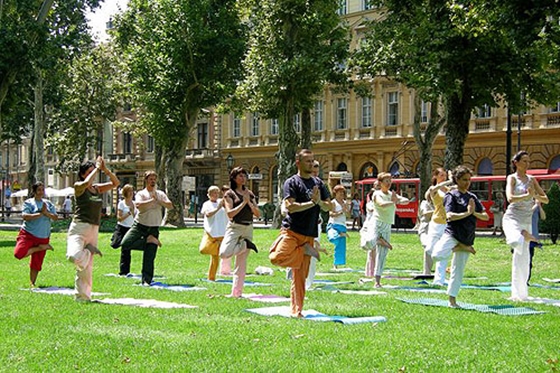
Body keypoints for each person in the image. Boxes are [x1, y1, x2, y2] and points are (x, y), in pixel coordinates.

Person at [269, 149, 331, 317]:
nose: (311, 164)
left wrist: (320, 203)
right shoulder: (292, 182)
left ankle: (297, 311)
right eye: (308, 161)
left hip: (308, 234)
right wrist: (312, 203)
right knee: (276, 257)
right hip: (292, 231)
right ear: (298, 163)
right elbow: (290, 206)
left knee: (299, 278)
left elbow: (328, 206)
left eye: (312, 161)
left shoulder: (318, 183)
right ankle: (302, 250)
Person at [432, 165, 488, 308]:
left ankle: (452, 301)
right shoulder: (451, 195)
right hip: (452, 234)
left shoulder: (472, 197)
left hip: (467, 236)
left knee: (458, 271)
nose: (467, 182)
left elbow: (486, 216)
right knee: (436, 255)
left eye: (469, 180)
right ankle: (460, 247)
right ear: (456, 180)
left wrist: (473, 212)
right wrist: (466, 213)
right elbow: (450, 216)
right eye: (464, 180)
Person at [66, 156, 119, 301]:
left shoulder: (97, 189)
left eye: (94, 172)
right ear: (83, 174)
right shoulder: (79, 186)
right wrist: (96, 168)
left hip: (93, 229)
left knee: (86, 268)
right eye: (89, 172)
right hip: (79, 227)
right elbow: (87, 182)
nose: (94, 175)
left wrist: (105, 169)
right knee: (74, 256)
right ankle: (89, 251)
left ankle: (83, 297)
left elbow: (116, 183)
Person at [502, 151, 548, 301]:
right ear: (516, 162)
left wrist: (534, 195)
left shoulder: (532, 179)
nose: (527, 164)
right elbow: (510, 198)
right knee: (515, 241)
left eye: (529, 162)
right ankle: (524, 235)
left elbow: (545, 199)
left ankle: (520, 294)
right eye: (524, 161)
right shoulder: (512, 178)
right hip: (513, 218)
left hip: (526, 220)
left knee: (522, 258)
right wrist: (526, 196)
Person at [120, 171, 173, 286]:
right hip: (140, 226)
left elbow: (170, 205)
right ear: (146, 180)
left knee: (149, 256)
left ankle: (146, 280)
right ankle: (149, 240)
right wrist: (152, 201)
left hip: (153, 228)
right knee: (125, 244)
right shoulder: (141, 193)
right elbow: (138, 205)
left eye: (154, 179)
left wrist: (159, 200)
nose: (153, 181)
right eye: (150, 179)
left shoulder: (160, 194)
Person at [218, 167, 261, 297]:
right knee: (224, 253)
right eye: (240, 176)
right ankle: (244, 245)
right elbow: (230, 214)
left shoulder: (250, 193)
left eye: (244, 175)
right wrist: (244, 203)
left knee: (241, 264)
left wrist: (250, 203)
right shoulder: (229, 194)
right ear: (234, 178)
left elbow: (258, 214)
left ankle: (237, 293)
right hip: (235, 227)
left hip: (248, 228)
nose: (243, 178)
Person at [14, 182, 58, 287]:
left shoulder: (48, 204)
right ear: (34, 191)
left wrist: (46, 213)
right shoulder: (28, 203)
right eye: (39, 190)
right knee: (18, 253)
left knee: (37, 262)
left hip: (43, 236)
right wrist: (39, 214)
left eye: (43, 190)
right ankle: (41, 248)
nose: (41, 192)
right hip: (28, 234)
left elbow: (55, 217)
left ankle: (32, 283)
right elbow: (25, 216)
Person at [371, 172, 410, 288]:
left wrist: (397, 199)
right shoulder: (377, 194)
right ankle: (378, 240)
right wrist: (393, 201)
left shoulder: (392, 194)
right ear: (380, 183)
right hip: (377, 223)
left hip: (387, 224)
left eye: (389, 181)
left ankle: (377, 281)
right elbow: (381, 204)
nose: (388, 183)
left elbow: (407, 200)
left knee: (382, 254)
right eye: (386, 181)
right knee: (367, 243)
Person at [424, 168, 454, 285]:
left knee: (444, 252)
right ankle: (439, 276)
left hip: (447, 223)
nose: (444, 177)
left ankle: (439, 279)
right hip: (436, 223)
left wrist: (453, 180)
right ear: (435, 176)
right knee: (430, 249)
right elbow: (434, 189)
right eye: (441, 175)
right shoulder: (433, 189)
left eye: (445, 175)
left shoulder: (449, 190)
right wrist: (450, 180)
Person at [199, 186, 228, 281]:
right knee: (204, 249)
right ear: (208, 195)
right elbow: (208, 214)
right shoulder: (206, 204)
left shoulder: (222, 202)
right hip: (211, 232)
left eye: (217, 192)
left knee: (217, 257)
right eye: (213, 193)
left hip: (222, 232)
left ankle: (212, 277)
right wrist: (218, 208)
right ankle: (212, 277)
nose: (216, 195)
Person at [113, 184, 136, 276]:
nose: (131, 193)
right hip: (121, 227)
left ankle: (124, 271)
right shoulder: (121, 203)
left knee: (126, 250)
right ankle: (114, 239)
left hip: (130, 228)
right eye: (129, 191)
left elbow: (135, 216)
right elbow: (119, 218)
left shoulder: (134, 203)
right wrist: (128, 213)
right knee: (115, 244)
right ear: (125, 193)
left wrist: (133, 212)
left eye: (132, 191)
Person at [327, 185, 349, 270]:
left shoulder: (345, 202)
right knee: (332, 237)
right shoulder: (333, 202)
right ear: (335, 193)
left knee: (340, 247)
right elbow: (331, 214)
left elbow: (348, 215)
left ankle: (336, 264)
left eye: (342, 193)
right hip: (333, 224)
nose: (341, 194)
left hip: (342, 225)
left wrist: (346, 210)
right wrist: (340, 211)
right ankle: (341, 234)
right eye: (339, 193)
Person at [362, 183, 379, 277]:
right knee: (372, 250)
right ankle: (370, 271)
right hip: (370, 228)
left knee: (376, 250)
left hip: (377, 227)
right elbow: (372, 210)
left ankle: (375, 270)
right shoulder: (370, 204)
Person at [528, 201, 546, 285]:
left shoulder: (537, 206)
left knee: (530, 260)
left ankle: (527, 279)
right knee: (522, 259)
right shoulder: (524, 205)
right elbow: (528, 213)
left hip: (533, 237)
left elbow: (543, 217)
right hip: (524, 235)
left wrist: (539, 206)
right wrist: (535, 205)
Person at [417, 193, 434, 275]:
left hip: (436, 229)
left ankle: (431, 272)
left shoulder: (441, 203)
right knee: (427, 246)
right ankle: (427, 272)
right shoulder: (424, 203)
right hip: (425, 228)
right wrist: (439, 210)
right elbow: (425, 213)